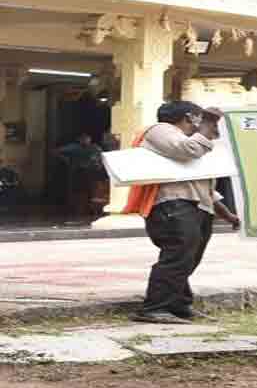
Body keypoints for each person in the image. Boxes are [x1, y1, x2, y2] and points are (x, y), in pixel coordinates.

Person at [125, 101, 241, 324]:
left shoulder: (189, 141)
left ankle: (178, 305)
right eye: (200, 120)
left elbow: (203, 184)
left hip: (195, 205)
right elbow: (189, 151)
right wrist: (207, 124)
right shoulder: (162, 130)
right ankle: (154, 308)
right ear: (190, 117)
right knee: (178, 255)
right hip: (173, 205)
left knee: (187, 258)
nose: (204, 127)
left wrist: (226, 213)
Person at [54, 133, 104, 219]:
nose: (85, 140)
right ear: (79, 140)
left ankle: (91, 210)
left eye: (87, 138)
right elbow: (56, 151)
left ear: (90, 139)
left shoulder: (94, 148)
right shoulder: (74, 147)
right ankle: (78, 210)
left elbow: (101, 156)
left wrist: (97, 164)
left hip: (91, 172)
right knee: (78, 192)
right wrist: (66, 160)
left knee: (92, 191)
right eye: (83, 139)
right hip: (78, 172)